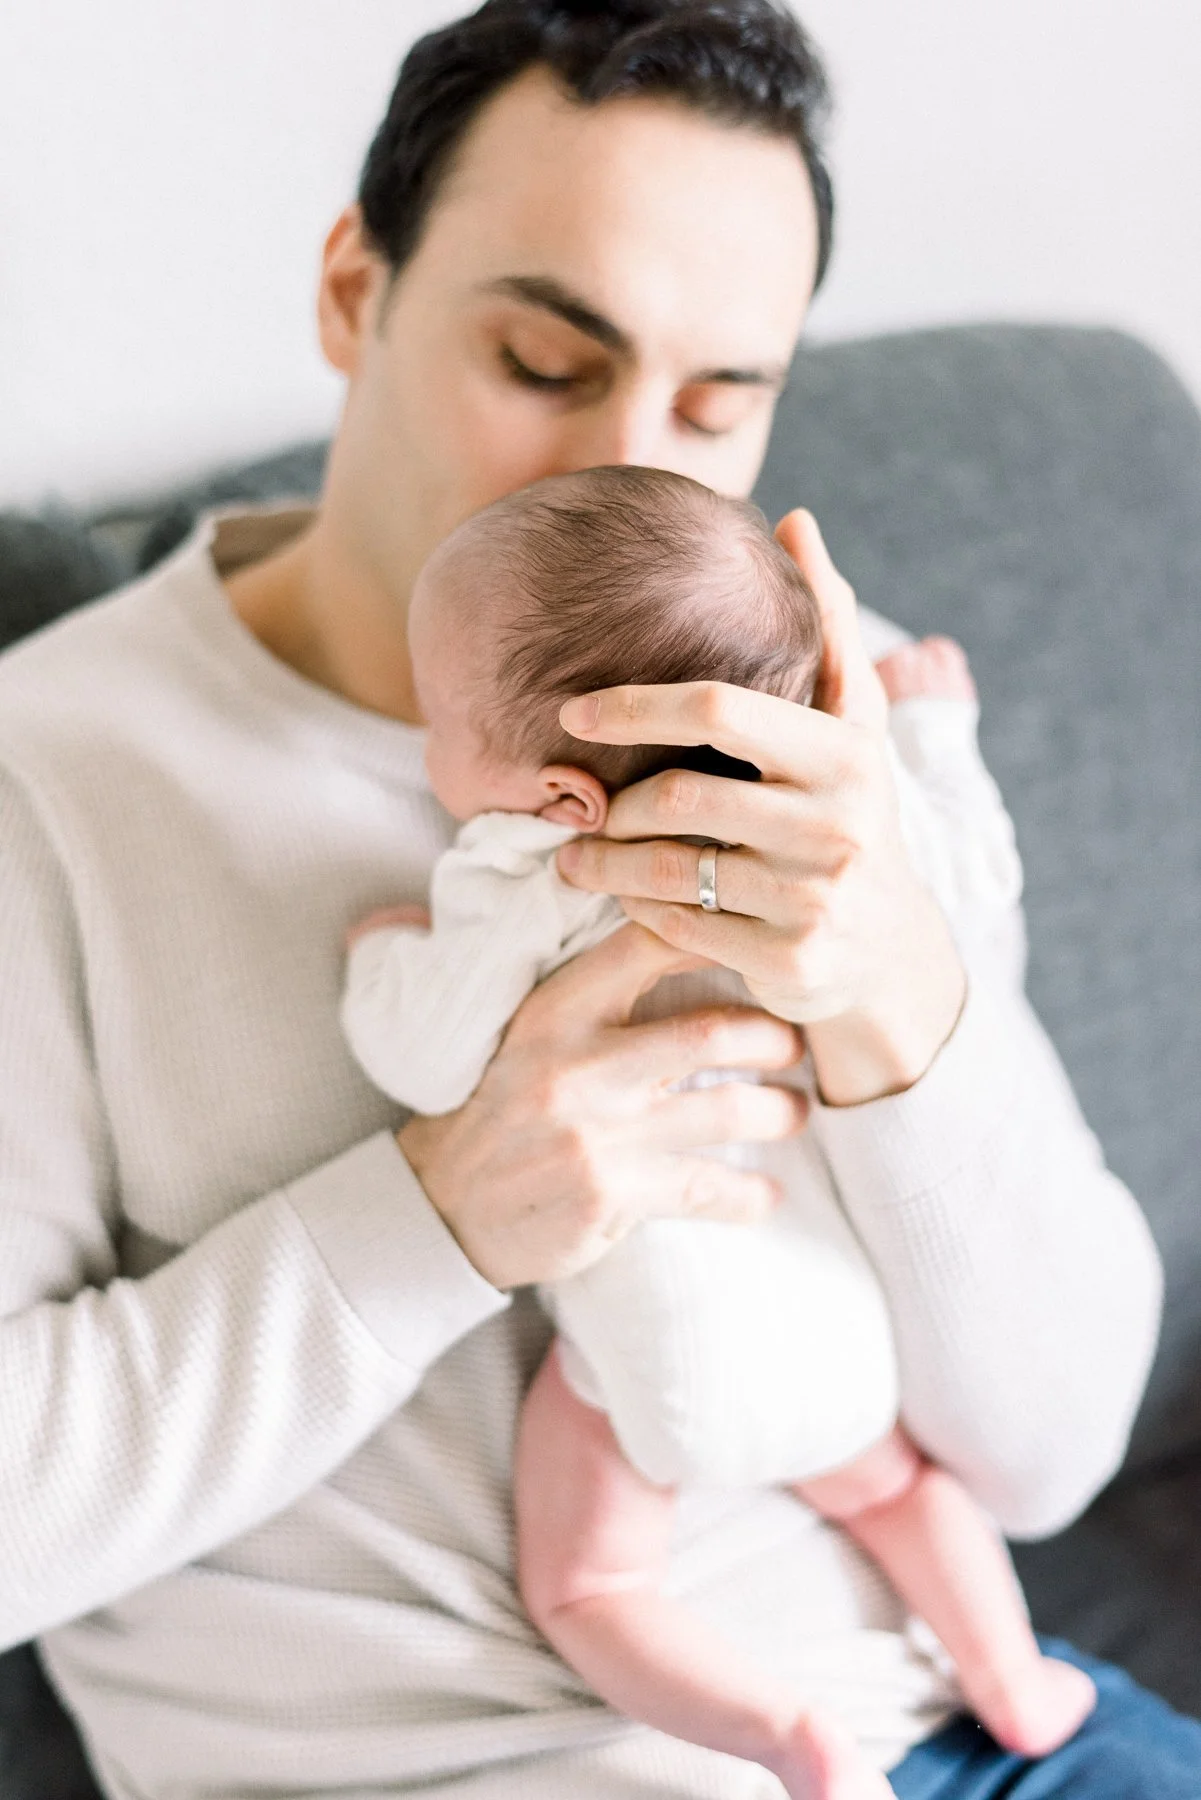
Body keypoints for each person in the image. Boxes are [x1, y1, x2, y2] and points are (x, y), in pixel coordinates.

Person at [0, 2, 1184, 1797]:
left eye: (724, 403)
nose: (631, 462)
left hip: (963, 1722)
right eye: (548, 362)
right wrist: (437, 1214)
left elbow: (1048, 1458)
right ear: (354, 293)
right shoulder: (54, 779)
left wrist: (901, 1004)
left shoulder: (831, 723)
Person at [339, 463, 1097, 1799]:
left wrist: (383, 955)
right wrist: (936, 743)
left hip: (656, 1372)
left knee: (587, 1584)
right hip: (847, 1340)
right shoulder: (831, 837)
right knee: (907, 1493)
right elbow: (974, 877)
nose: (423, 746)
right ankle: (1015, 1675)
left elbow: (423, 1049)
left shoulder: (525, 878)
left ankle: (785, 1738)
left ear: (567, 799)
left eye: (439, 718)